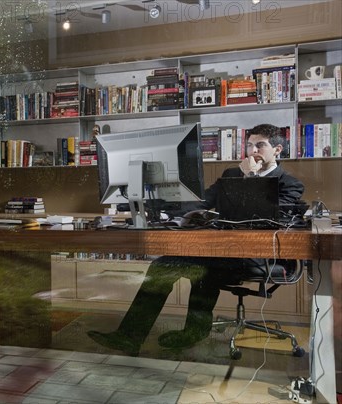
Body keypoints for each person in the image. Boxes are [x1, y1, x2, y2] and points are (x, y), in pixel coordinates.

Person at [87, 123, 304, 355]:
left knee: (203, 266)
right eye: (249, 146)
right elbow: (202, 201)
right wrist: (166, 208)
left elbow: (266, 219)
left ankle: (195, 331)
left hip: (257, 258)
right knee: (162, 265)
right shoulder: (232, 174)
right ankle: (129, 337)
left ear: (278, 150)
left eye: (260, 145)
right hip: (220, 251)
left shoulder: (289, 184)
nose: (252, 152)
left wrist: (249, 176)